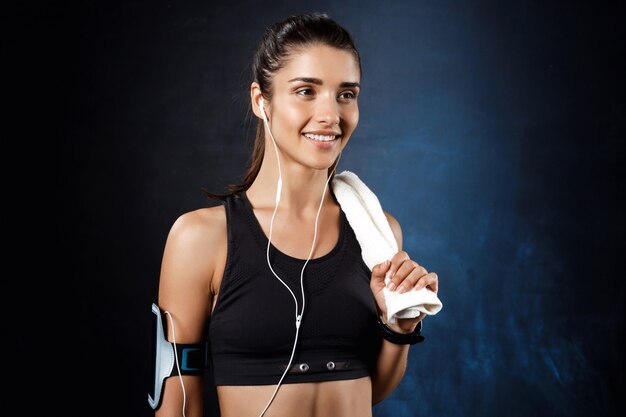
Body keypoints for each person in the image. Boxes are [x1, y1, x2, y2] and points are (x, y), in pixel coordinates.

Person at [153, 12, 439, 417]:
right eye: (306, 91)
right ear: (261, 101)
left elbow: (371, 389)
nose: (330, 115)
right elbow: (177, 400)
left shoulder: (377, 233)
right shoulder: (201, 238)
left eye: (346, 94)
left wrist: (400, 326)